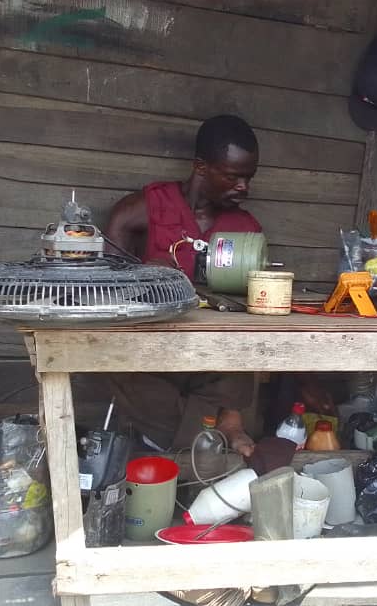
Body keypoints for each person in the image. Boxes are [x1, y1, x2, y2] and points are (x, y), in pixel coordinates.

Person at [103, 115, 263, 457]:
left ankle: (203, 434)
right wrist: (145, 273)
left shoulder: (245, 227)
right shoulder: (146, 208)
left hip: (211, 356)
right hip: (154, 354)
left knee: (245, 354)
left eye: (248, 178)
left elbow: (256, 298)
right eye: (233, 177)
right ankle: (214, 435)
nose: (243, 188)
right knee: (120, 365)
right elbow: (106, 280)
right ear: (201, 168)